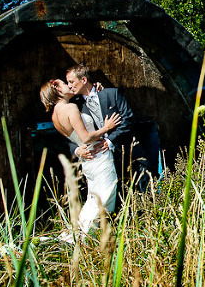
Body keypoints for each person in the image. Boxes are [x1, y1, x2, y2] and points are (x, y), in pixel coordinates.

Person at [40, 79, 121, 242]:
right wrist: (106, 128)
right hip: (98, 156)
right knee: (105, 195)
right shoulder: (70, 108)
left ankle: (79, 234)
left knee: (94, 198)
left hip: (87, 161)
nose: (69, 86)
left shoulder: (55, 114)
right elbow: (85, 138)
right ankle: (83, 237)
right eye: (65, 84)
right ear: (57, 90)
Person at [65, 63, 152, 193]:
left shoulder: (112, 94)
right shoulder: (75, 107)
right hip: (100, 162)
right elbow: (69, 135)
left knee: (146, 191)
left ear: (83, 80)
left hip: (129, 151)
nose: (69, 86)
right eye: (67, 83)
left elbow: (128, 119)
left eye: (71, 82)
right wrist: (77, 151)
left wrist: (110, 141)